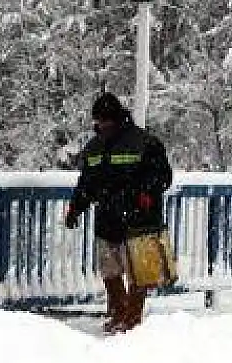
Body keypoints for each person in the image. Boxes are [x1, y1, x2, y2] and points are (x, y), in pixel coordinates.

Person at [63, 92, 173, 333]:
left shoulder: (145, 143)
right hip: (108, 220)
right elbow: (87, 183)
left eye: (104, 121)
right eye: (98, 121)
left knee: (138, 274)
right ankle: (118, 312)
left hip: (139, 220)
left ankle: (132, 318)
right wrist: (75, 208)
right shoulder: (94, 148)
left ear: (115, 118)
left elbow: (163, 176)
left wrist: (146, 192)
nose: (101, 125)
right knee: (110, 272)